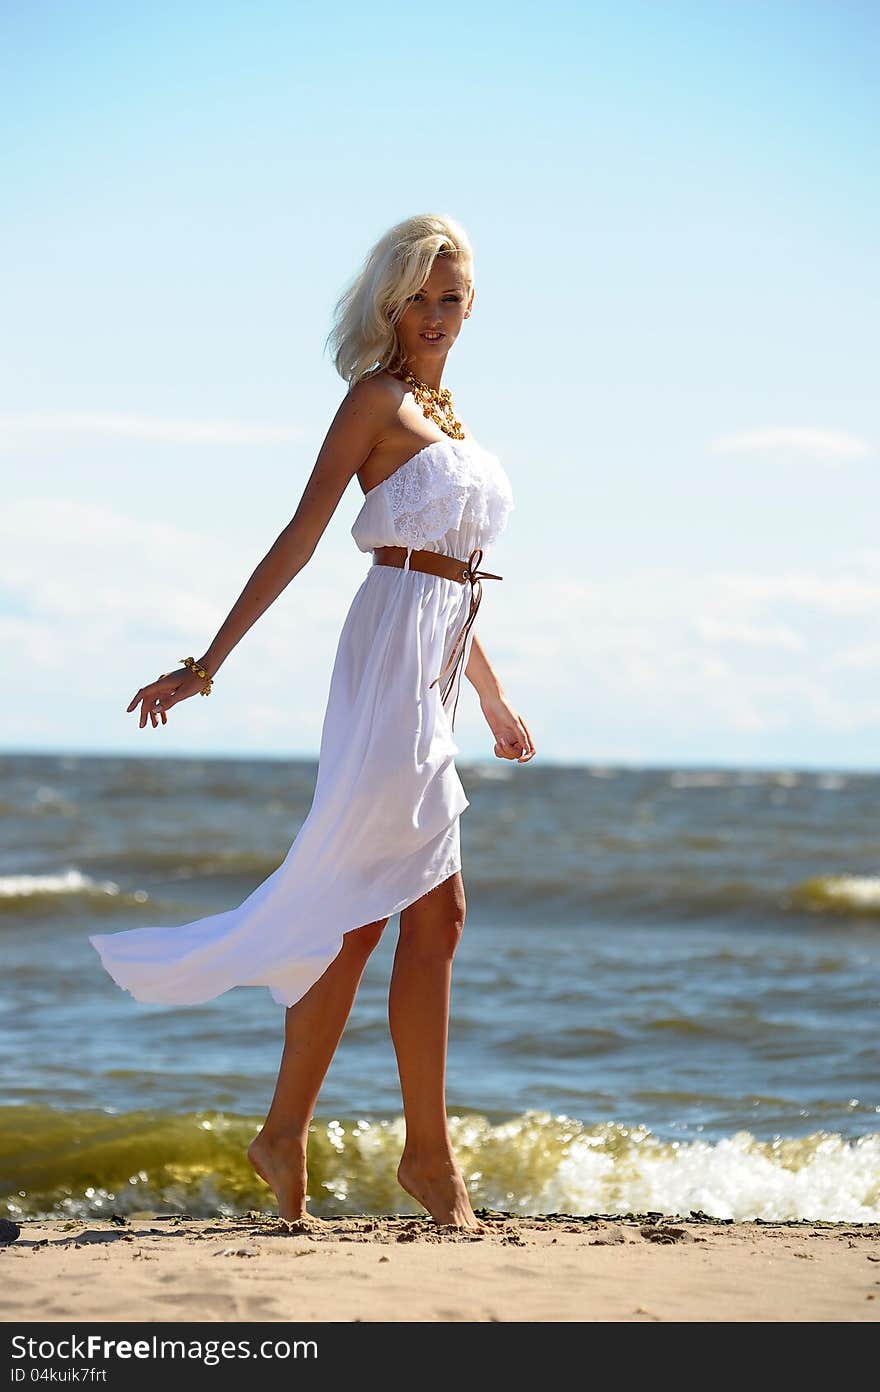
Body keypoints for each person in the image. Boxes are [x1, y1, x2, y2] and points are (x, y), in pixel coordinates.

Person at [90, 212, 535, 1230]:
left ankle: (303, 1136)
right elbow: (302, 533)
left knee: (403, 914)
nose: (433, 314)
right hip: (383, 670)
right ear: (388, 304)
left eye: (450, 298)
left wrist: (493, 695)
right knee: (396, 912)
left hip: (429, 667)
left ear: (469, 308)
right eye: (417, 297)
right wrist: (207, 663)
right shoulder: (374, 400)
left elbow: (454, 581)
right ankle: (420, 1161)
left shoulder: (445, 413)